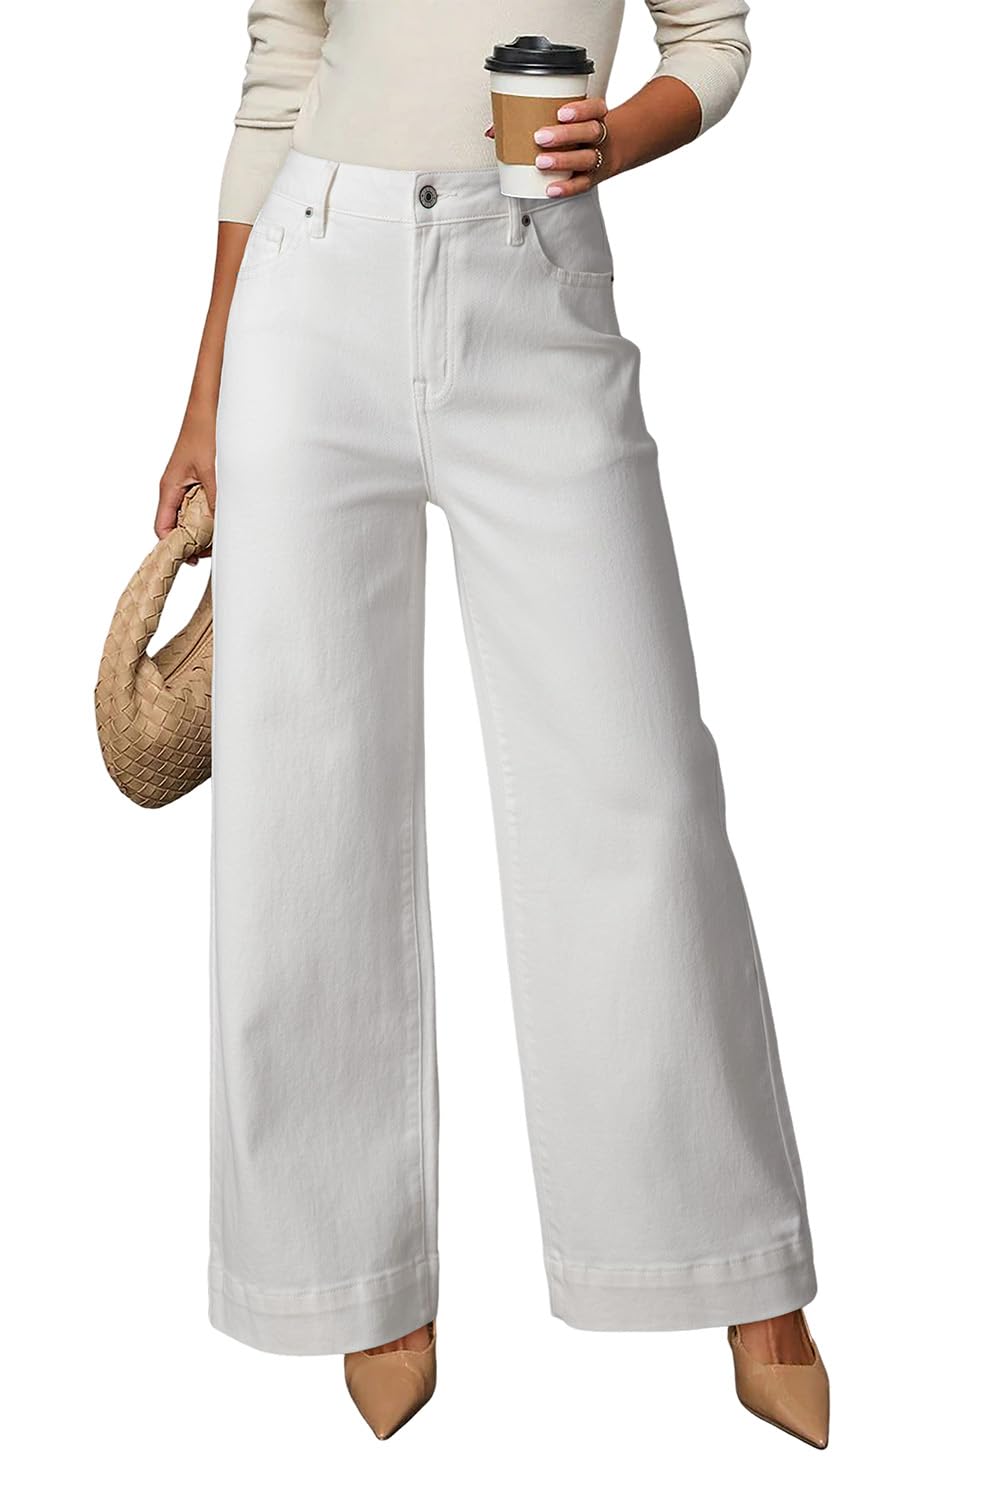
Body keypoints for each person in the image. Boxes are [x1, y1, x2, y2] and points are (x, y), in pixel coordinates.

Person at [156, 1, 829, 1446]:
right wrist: (207, 386)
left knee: (638, 789)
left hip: (535, 276)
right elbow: (280, 71)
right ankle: (353, 1277)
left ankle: (735, 1266)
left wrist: (616, 141)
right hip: (308, 284)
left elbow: (711, 39)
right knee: (304, 800)